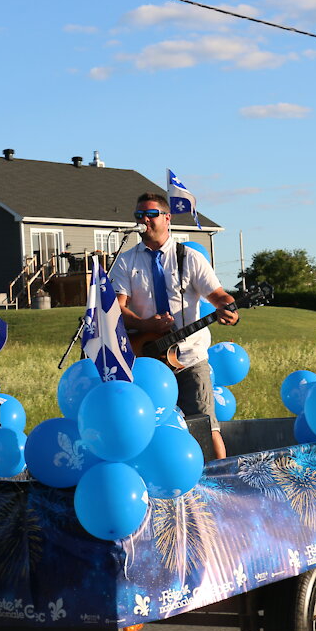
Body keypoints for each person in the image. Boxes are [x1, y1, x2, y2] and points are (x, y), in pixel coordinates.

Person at [110, 192, 238, 460]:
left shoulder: (189, 257)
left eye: (151, 214)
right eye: (139, 216)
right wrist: (144, 323)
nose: (144, 220)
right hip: (146, 359)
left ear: (167, 218)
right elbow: (115, 309)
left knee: (205, 426)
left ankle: (223, 483)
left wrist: (228, 308)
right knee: (143, 429)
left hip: (190, 358)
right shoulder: (126, 260)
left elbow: (218, 296)